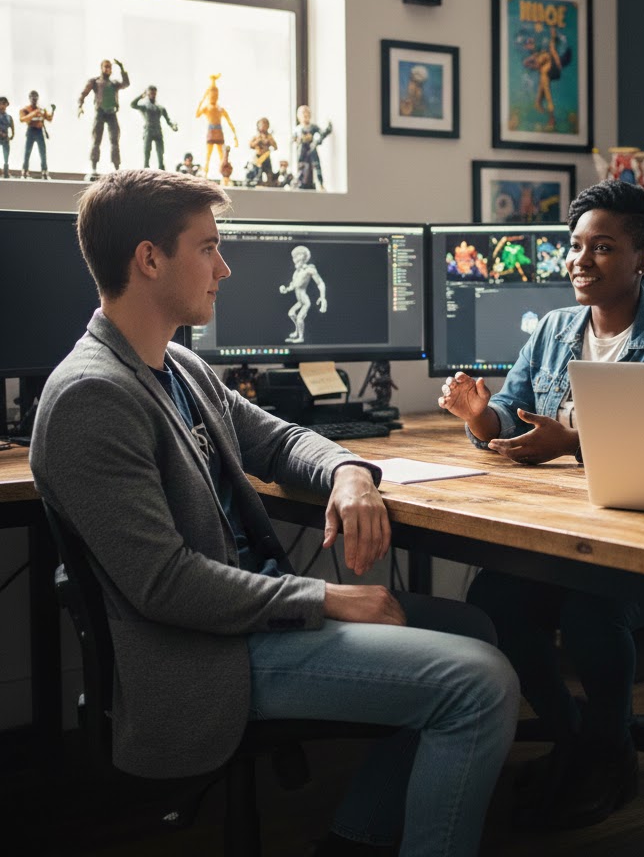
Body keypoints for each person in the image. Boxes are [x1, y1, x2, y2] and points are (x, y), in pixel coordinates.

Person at [28, 169, 519, 857]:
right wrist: (325, 598)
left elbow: (283, 438)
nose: (224, 269)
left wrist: (349, 473)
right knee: (478, 683)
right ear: (148, 259)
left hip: (248, 622)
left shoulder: (176, 367)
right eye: (208, 248)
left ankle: (356, 839)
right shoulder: (92, 398)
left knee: (476, 628)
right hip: (204, 656)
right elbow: (165, 585)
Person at [438, 180, 644, 830]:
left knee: (593, 611)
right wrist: (481, 419)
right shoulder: (557, 328)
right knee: (494, 603)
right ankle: (576, 739)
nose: (580, 261)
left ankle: (609, 750)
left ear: (643, 257)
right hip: (567, 529)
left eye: (603, 248)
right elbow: (513, 409)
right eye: (575, 247)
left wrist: (577, 443)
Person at [78, 58, 130, 179]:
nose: (108, 69)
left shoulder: (114, 83)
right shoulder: (95, 82)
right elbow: (84, 93)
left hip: (112, 113)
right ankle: (94, 167)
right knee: (97, 140)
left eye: (110, 67)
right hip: (100, 112)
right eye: (106, 67)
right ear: (101, 68)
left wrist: (122, 69)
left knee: (115, 140)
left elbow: (126, 84)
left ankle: (117, 167)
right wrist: (80, 106)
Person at [280, 244, 326, 343]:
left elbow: (320, 283)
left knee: (300, 318)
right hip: (300, 301)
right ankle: (297, 331)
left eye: (298, 255)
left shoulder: (309, 270)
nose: (295, 258)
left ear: (304, 256)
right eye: (294, 257)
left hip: (305, 301)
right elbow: (294, 285)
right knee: (291, 313)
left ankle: (301, 337)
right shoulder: (296, 272)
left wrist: (322, 297)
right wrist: (286, 289)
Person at [195, 74, 238, 176]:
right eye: (211, 95)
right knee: (208, 156)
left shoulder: (220, 109)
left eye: (215, 95)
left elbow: (230, 122)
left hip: (219, 132)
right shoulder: (207, 107)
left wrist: (235, 136)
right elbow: (197, 114)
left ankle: (224, 175)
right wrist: (203, 98)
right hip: (211, 132)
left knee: (222, 155)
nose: (213, 97)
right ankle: (205, 174)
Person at [130, 85, 178, 170]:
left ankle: (161, 168)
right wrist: (141, 96)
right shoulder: (145, 106)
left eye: (154, 93)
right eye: (151, 92)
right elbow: (133, 105)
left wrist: (173, 125)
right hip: (148, 130)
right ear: (148, 93)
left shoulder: (160, 107)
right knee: (147, 151)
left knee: (160, 152)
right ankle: (146, 167)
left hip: (158, 130)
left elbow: (168, 120)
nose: (152, 94)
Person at [293, 104, 332, 190]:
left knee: (316, 166)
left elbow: (321, 134)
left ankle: (320, 184)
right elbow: (293, 139)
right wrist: (299, 140)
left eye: (307, 113)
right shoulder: (297, 129)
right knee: (301, 167)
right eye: (303, 113)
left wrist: (317, 140)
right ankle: (300, 184)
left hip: (311, 148)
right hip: (302, 151)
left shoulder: (313, 127)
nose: (305, 115)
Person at [19, 90, 54, 179]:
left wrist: (53, 111)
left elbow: (49, 118)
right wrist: (34, 113)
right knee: (27, 152)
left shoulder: (41, 109)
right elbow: (22, 119)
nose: (34, 99)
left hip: (39, 131)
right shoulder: (25, 109)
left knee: (42, 152)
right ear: (29, 98)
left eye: (35, 97)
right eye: (32, 97)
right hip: (31, 131)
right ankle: (25, 171)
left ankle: (44, 171)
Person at [248, 116, 278, 186]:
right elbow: (250, 145)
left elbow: (275, 147)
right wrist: (258, 141)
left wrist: (270, 142)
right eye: (261, 125)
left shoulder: (269, 137)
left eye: (265, 125)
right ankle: (258, 182)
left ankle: (270, 183)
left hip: (266, 157)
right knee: (258, 172)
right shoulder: (257, 136)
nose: (263, 126)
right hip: (258, 157)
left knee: (269, 172)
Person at [0, 97, 13, 178]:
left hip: (5, 138)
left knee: (6, 154)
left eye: (4, 104)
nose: (2, 106)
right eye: (1, 103)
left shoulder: (8, 116)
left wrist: (12, 134)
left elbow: (11, 125)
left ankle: (6, 171)